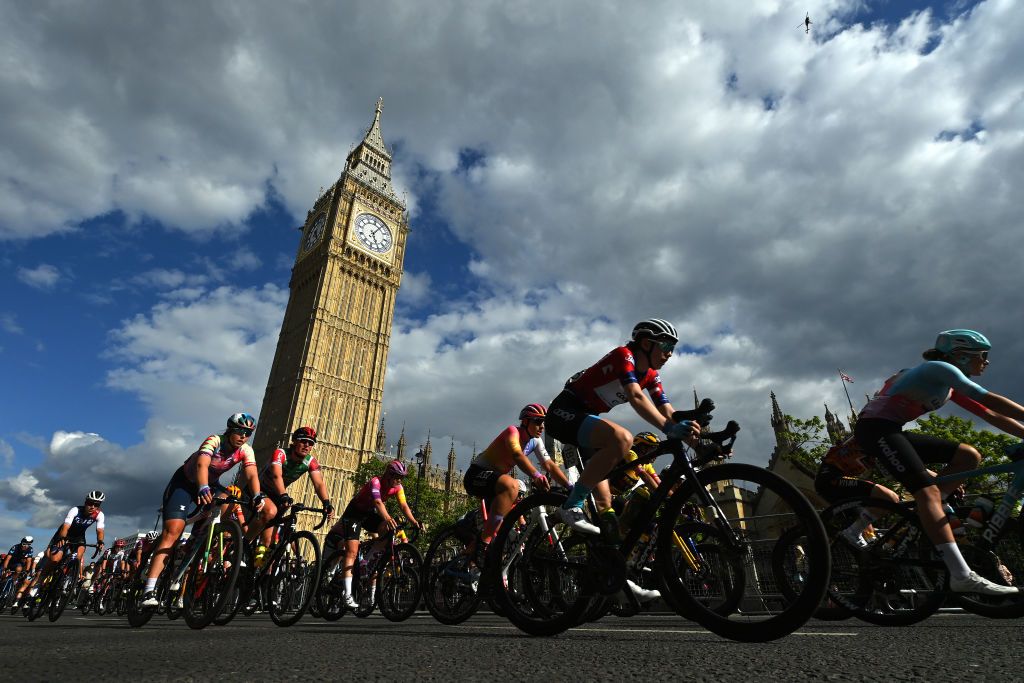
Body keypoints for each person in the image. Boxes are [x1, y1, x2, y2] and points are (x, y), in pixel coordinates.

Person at [853, 329, 1024, 595]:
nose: (987, 362)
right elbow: (988, 399)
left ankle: (932, 507)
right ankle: (961, 574)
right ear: (961, 356)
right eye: (983, 355)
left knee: (969, 456)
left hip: (892, 429)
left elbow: (990, 415)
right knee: (927, 492)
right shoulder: (939, 368)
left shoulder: (949, 384)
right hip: (874, 429)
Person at [545, 319, 699, 535]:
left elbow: (667, 410)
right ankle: (570, 506)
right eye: (666, 346)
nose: (670, 354)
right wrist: (668, 428)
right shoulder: (623, 355)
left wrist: (697, 443)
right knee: (623, 439)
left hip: (587, 418)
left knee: (605, 505)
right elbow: (636, 396)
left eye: (673, 349)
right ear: (646, 343)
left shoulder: (652, 375)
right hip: (564, 411)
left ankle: (606, 549)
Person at [141, 413, 268, 607]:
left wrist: (258, 495)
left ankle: (205, 533)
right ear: (230, 430)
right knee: (173, 531)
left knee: (231, 498)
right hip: (185, 484)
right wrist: (202, 486)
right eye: (240, 431)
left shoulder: (245, 450)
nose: (243, 436)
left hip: (211, 484)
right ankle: (148, 590)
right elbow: (202, 464)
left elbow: (251, 474)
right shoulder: (214, 440)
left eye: (248, 433)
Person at [329, 459, 421, 609]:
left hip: (368, 514)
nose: (399, 480)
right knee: (352, 550)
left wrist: (414, 522)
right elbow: (378, 503)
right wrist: (388, 518)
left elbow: (404, 505)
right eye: (397, 477)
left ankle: (366, 560)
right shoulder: (376, 482)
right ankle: (347, 594)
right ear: (389, 475)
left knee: (389, 530)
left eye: (401, 478)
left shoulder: (398, 487)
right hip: (354, 514)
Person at [463, 404, 553, 545]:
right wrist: (537, 475)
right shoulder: (513, 432)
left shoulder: (535, 442)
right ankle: (484, 543)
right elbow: (517, 455)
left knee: (502, 522)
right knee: (511, 486)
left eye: (543, 422)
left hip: (494, 484)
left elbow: (550, 465)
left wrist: (570, 486)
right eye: (538, 421)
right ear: (525, 422)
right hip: (475, 475)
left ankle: (473, 554)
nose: (542, 426)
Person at [254, 426, 336, 561]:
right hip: (259, 489)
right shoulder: (281, 454)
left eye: (310, 443)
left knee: (267, 541)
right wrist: (284, 495)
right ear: (294, 442)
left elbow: (319, 483)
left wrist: (326, 503)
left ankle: (258, 572)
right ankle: (244, 543)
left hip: (277, 495)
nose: (307, 445)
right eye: (303, 441)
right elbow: (276, 476)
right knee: (270, 512)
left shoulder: (310, 461)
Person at [23, 491, 106, 602]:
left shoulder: (99, 514)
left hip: (78, 537)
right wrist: (62, 538)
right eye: (90, 503)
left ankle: (67, 580)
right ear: (86, 502)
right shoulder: (76, 510)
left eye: (96, 505)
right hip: (63, 534)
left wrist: (100, 541)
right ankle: (39, 581)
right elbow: (66, 526)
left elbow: (100, 530)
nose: (93, 506)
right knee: (55, 560)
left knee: (78, 556)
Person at [4, 536, 35, 608]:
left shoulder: (30, 549)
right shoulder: (15, 547)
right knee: (4, 574)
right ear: (21, 543)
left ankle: (14, 582)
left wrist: (27, 571)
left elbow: (29, 561)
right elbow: (8, 559)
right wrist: (5, 568)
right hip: (10, 563)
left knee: (19, 569)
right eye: (24, 544)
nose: (26, 546)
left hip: (18, 564)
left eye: (28, 544)